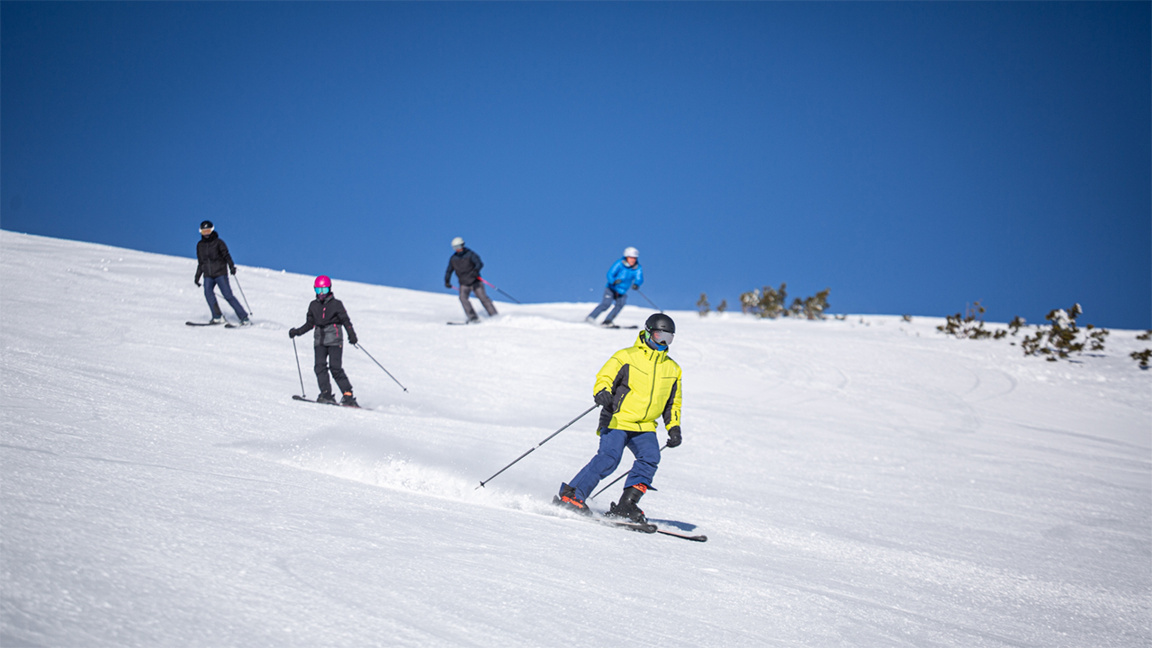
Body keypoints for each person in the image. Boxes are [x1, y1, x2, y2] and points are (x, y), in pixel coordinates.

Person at [556, 313, 683, 523]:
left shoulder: (673, 368)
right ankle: (573, 495)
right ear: (648, 333)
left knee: (650, 458)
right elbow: (605, 376)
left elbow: (673, 402)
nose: (662, 343)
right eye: (659, 336)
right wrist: (602, 391)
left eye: (668, 339)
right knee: (609, 458)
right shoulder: (626, 356)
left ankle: (627, 504)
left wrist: (674, 427)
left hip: (644, 426)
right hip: (617, 418)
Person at [288, 276, 360, 407]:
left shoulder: (336, 304)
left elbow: (346, 321)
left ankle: (348, 394)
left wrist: (352, 335)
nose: (321, 293)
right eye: (318, 290)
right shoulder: (313, 305)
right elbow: (309, 324)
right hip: (319, 341)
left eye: (324, 290)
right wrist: (297, 332)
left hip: (334, 340)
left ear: (329, 289)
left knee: (335, 367)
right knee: (319, 367)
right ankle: (326, 394)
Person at [194, 220, 250, 325]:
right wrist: (197, 277)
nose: (206, 233)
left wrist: (231, 266)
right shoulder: (200, 245)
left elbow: (226, 255)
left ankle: (244, 317)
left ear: (212, 230)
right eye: (204, 231)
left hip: (220, 273)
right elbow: (201, 262)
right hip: (208, 275)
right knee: (208, 294)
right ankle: (217, 316)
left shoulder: (218, 242)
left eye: (208, 231)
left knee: (228, 295)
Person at [444, 236, 498, 323]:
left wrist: (476, 271)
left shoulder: (470, 254)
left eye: (459, 247)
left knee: (483, 298)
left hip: (475, 282)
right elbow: (449, 271)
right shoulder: (453, 259)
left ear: (463, 245)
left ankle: (494, 316)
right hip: (464, 283)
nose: (458, 249)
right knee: (463, 298)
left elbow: (479, 263)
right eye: (455, 247)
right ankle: (473, 317)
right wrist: (447, 281)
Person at [586, 247, 643, 327]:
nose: (632, 260)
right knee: (606, 304)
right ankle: (591, 318)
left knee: (620, 304)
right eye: (631, 258)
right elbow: (610, 274)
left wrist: (636, 284)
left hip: (622, 291)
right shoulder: (620, 264)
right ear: (626, 257)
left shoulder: (637, 268)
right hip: (611, 289)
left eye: (634, 258)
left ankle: (608, 321)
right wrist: (613, 281)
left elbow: (639, 278)